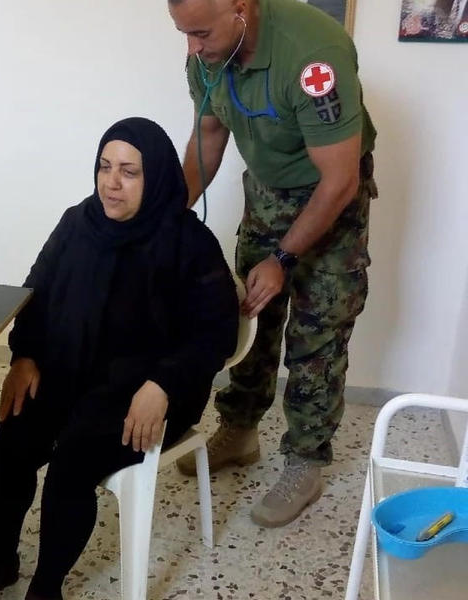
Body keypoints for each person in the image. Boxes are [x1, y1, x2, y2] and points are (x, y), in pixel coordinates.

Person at [0, 117, 239, 600]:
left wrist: (163, 384)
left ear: (157, 176)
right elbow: (35, 294)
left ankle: (46, 589)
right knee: (12, 440)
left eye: (129, 172)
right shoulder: (79, 223)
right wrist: (23, 357)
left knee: (72, 464)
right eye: (104, 166)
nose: (111, 182)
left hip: (151, 390)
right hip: (71, 369)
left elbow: (217, 332)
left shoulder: (189, 242)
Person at [168, 0, 378, 527]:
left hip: (331, 199)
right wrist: (165, 218)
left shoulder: (313, 56)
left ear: (240, 9)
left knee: (317, 333)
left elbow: (340, 180)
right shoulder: (208, 54)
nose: (191, 47)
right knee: (248, 315)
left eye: (200, 33)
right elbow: (208, 136)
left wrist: (284, 257)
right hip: (266, 193)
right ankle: (239, 430)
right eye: (184, 33)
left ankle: (305, 461)